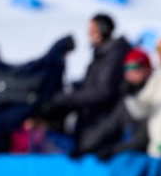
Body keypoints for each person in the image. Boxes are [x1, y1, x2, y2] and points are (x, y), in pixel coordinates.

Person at [46, 13, 130, 156]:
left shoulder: (114, 54)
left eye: (93, 31)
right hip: (93, 122)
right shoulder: (102, 54)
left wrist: (67, 98)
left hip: (102, 124)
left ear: (103, 31)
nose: (90, 36)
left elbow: (104, 91)